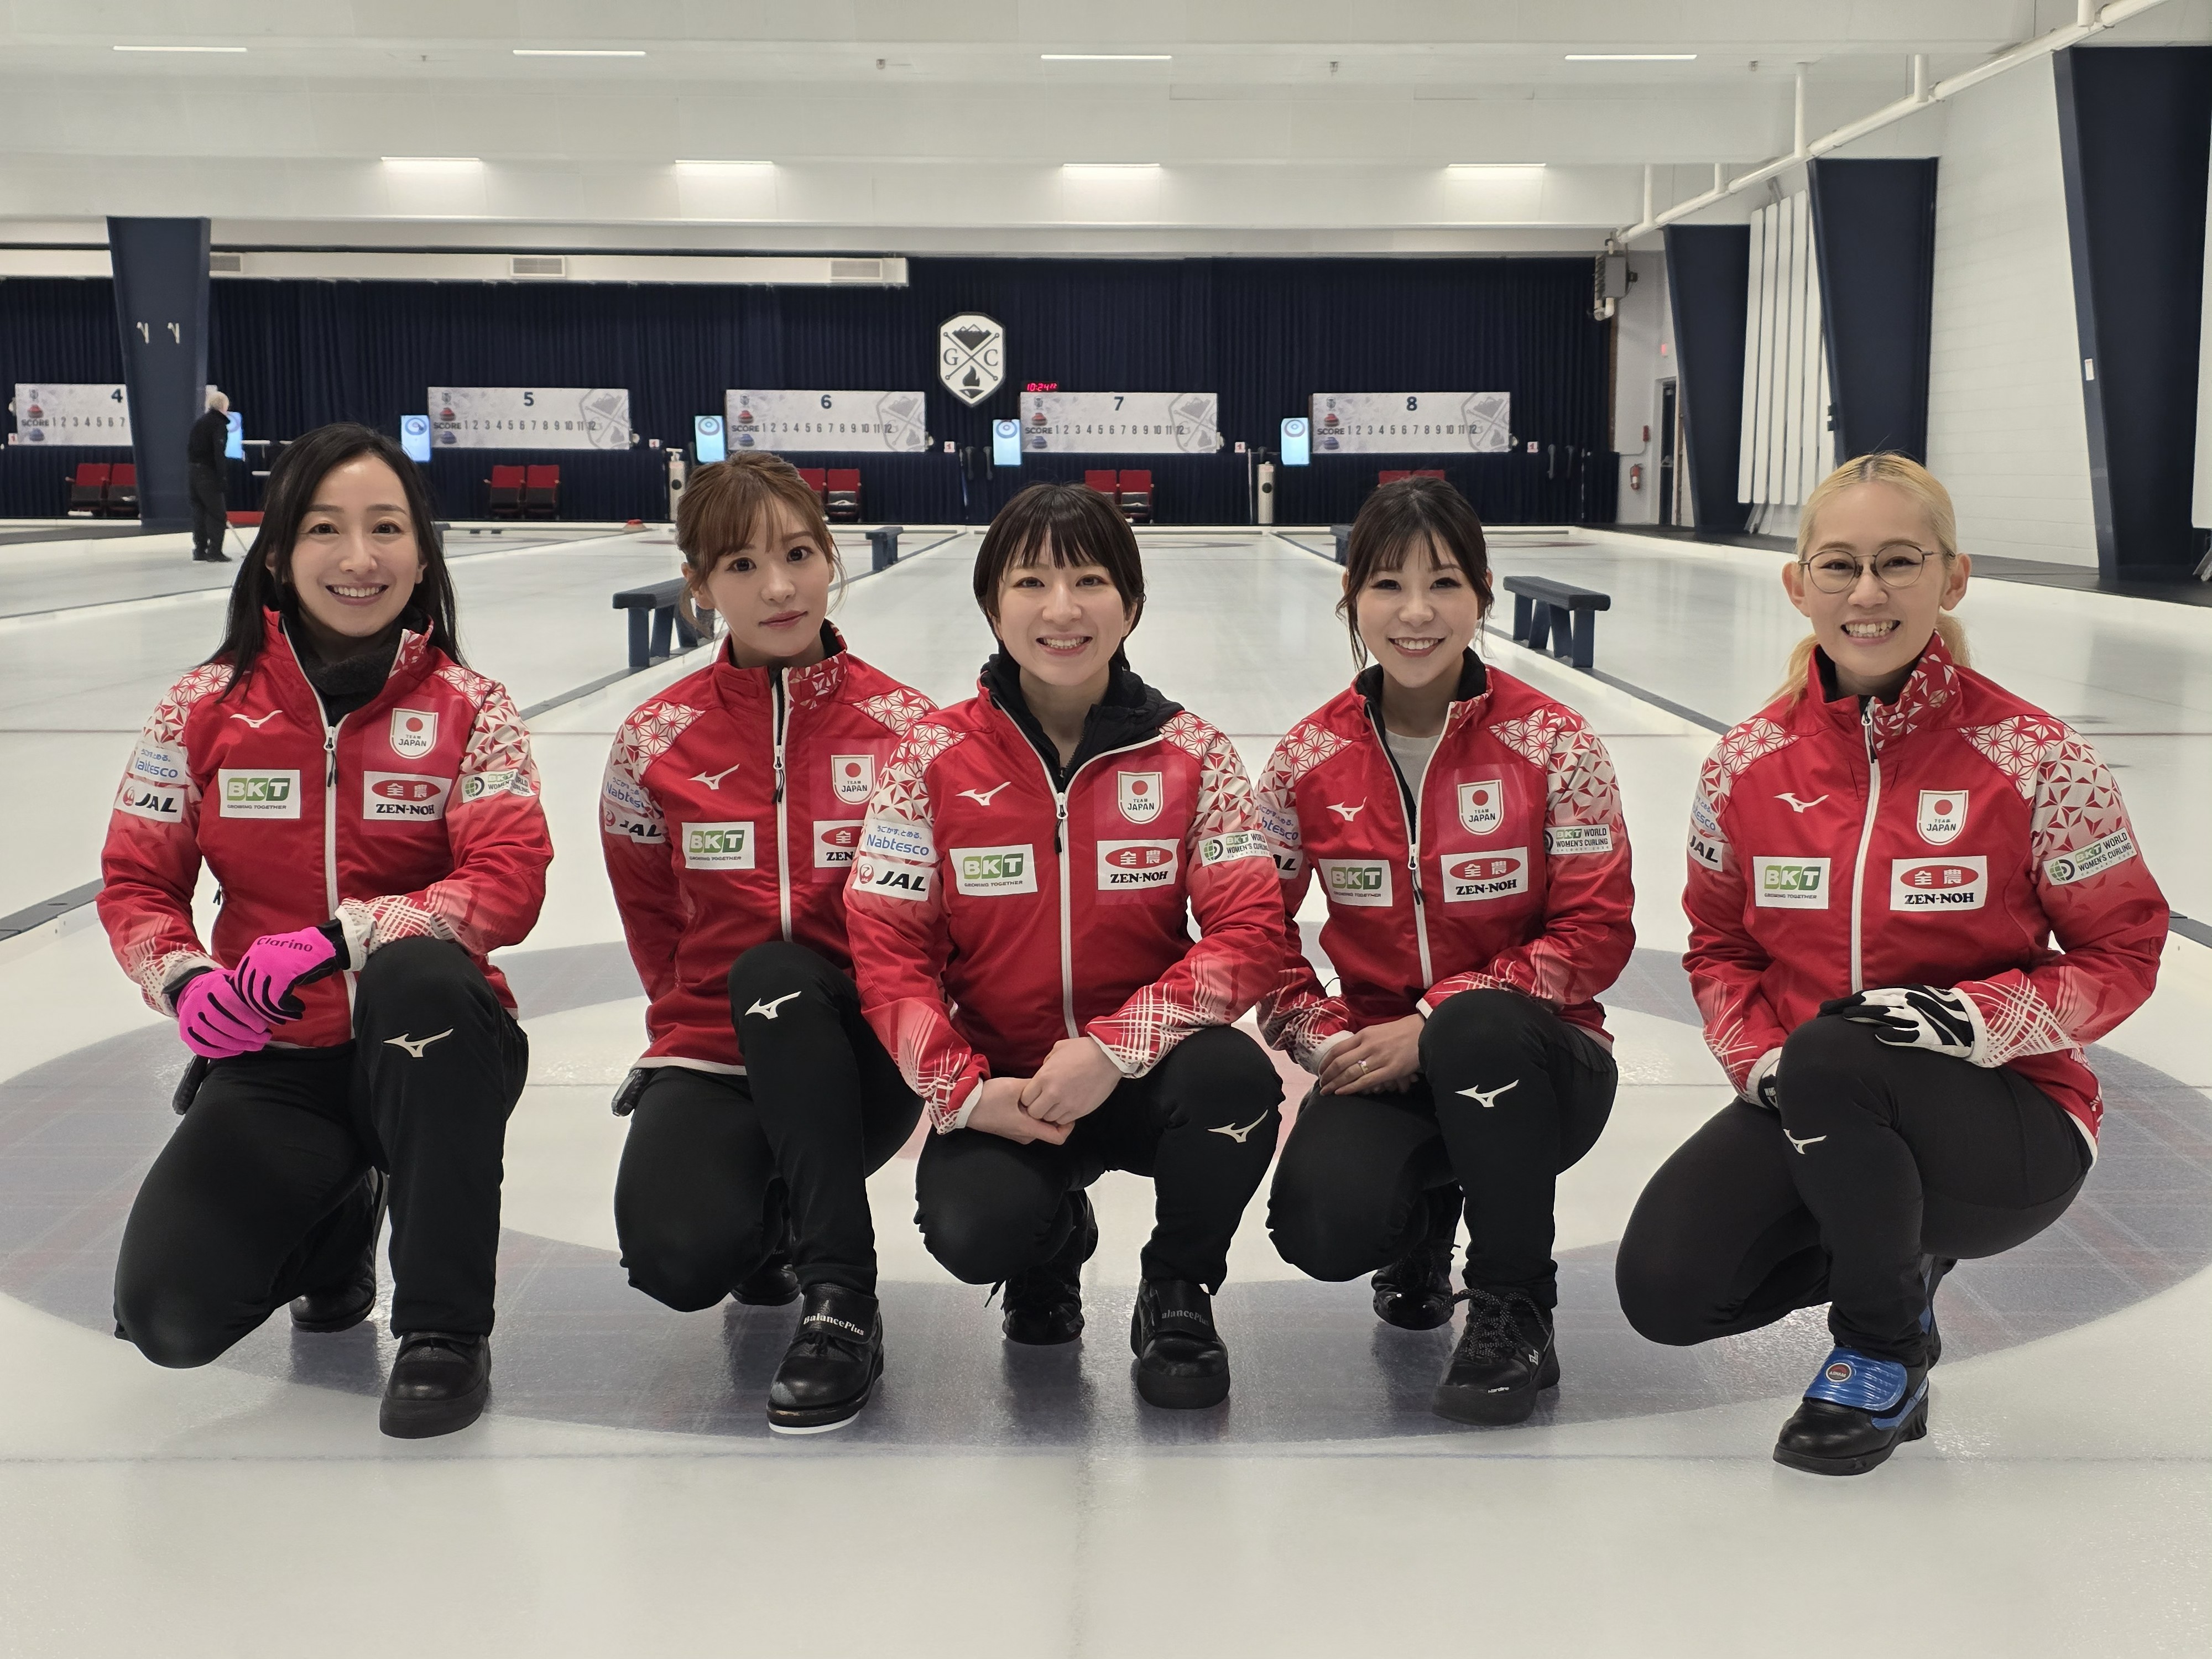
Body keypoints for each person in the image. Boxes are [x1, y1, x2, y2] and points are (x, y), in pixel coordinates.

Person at [1615, 453, 2168, 1475]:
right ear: (1799, 585)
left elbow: (2124, 951)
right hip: (1816, 1098)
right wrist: (1756, 1061)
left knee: (1836, 1050)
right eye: (1840, 565)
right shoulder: (1745, 765)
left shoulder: (2037, 758)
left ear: (1952, 577)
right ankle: (1888, 1245)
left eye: (1899, 562)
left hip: (2006, 1122)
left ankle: (1883, 1347)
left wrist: (1977, 1019)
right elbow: (1721, 947)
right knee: (1668, 1291)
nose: (1867, 593)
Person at [100, 422, 551, 1439]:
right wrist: (182, 979)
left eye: (386, 528)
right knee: (170, 1316)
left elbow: (509, 881)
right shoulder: (200, 708)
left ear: (423, 556)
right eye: (324, 529)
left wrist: (345, 938)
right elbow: (137, 881)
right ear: (276, 554)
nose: (359, 557)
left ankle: (444, 1330)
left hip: (435, 1046)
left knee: (419, 980)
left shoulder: (472, 708)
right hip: (280, 1057)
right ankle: (339, 1223)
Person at [844, 482, 1286, 1410]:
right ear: (990, 604)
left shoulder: (1194, 754)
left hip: (1148, 1072)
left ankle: (1176, 1286)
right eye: (1031, 582)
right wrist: (967, 1094)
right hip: (1008, 1083)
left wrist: (1115, 1048)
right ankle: (1049, 1248)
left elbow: (1251, 935)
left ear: (1131, 603)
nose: (1062, 609)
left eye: (1089, 580)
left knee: (1236, 1081)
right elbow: (887, 949)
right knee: (975, 1233)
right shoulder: (928, 758)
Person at [1256, 476, 1633, 1425]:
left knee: (1475, 1032)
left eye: (1444, 584)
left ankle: (1516, 1301)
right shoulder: (1305, 761)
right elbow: (1256, 933)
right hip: (1380, 1060)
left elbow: (1596, 932)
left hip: (1541, 1063)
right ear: (1351, 599)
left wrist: (1434, 1019)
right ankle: (1420, 1224)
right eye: (1387, 585)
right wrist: (1324, 1037)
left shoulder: (1556, 745)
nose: (1416, 613)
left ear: (1483, 594)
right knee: (1321, 1227)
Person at [603, 453, 931, 1433]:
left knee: (779, 974)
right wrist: (685, 1036)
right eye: (741, 566)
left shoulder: (909, 732)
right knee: (675, 1260)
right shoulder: (654, 739)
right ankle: (766, 1222)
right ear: (698, 586)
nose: (778, 587)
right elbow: (652, 921)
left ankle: (841, 1299)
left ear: (831, 559)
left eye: (797, 554)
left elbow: (944, 923)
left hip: (862, 1055)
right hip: (718, 1051)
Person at [187, 388, 231, 562]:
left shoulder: (199, 423)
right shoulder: (218, 425)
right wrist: (222, 477)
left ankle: (200, 549)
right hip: (208, 474)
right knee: (217, 513)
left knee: (199, 512)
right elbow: (219, 453)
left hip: (193, 473)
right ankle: (215, 550)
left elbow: (190, 448)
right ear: (223, 406)